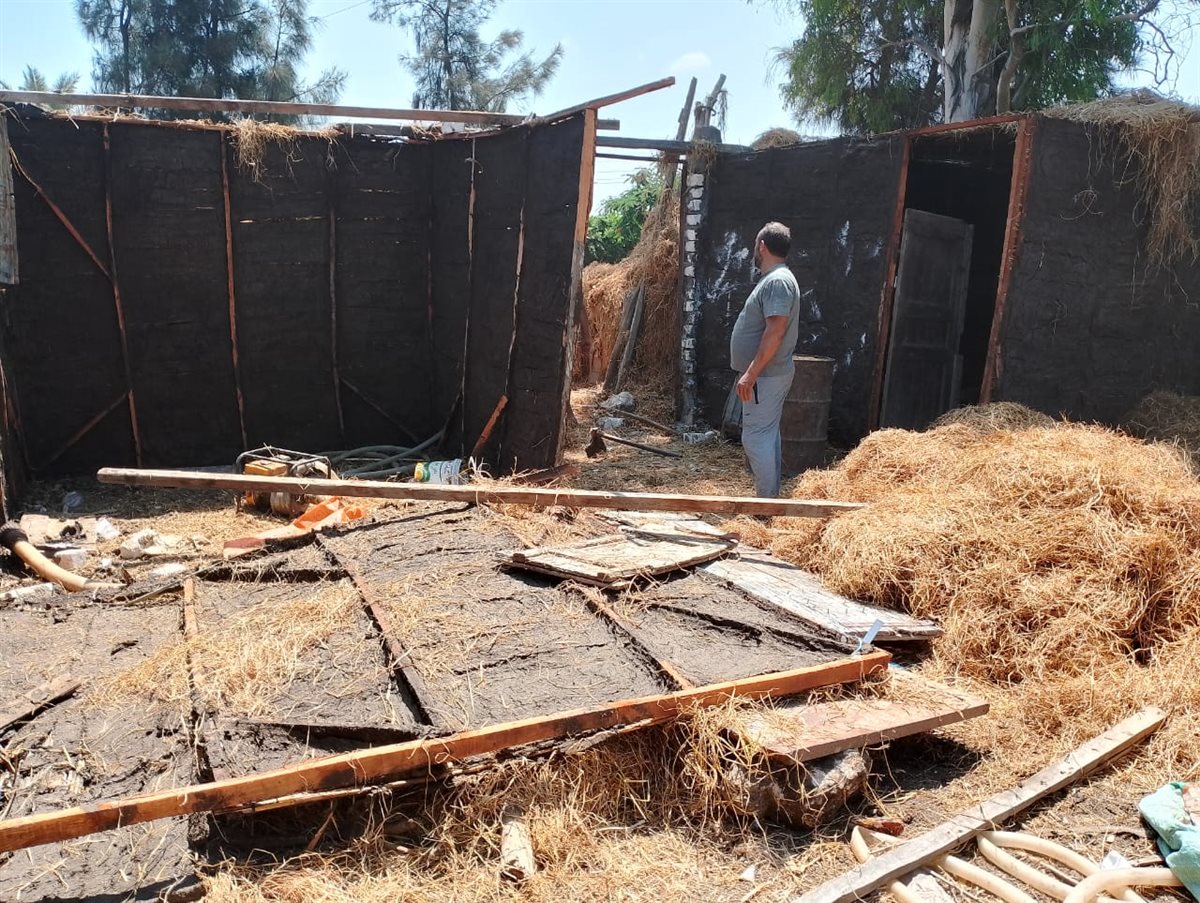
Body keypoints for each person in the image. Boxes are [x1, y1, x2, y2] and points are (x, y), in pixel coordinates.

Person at [729, 222, 800, 498]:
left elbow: (775, 331)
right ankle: (769, 501)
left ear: (762, 246)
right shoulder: (777, 279)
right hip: (767, 375)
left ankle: (765, 505)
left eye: (754, 245)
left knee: (756, 436)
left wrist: (751, 373)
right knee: (767, 435)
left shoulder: (778, 282)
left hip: (765, 376)